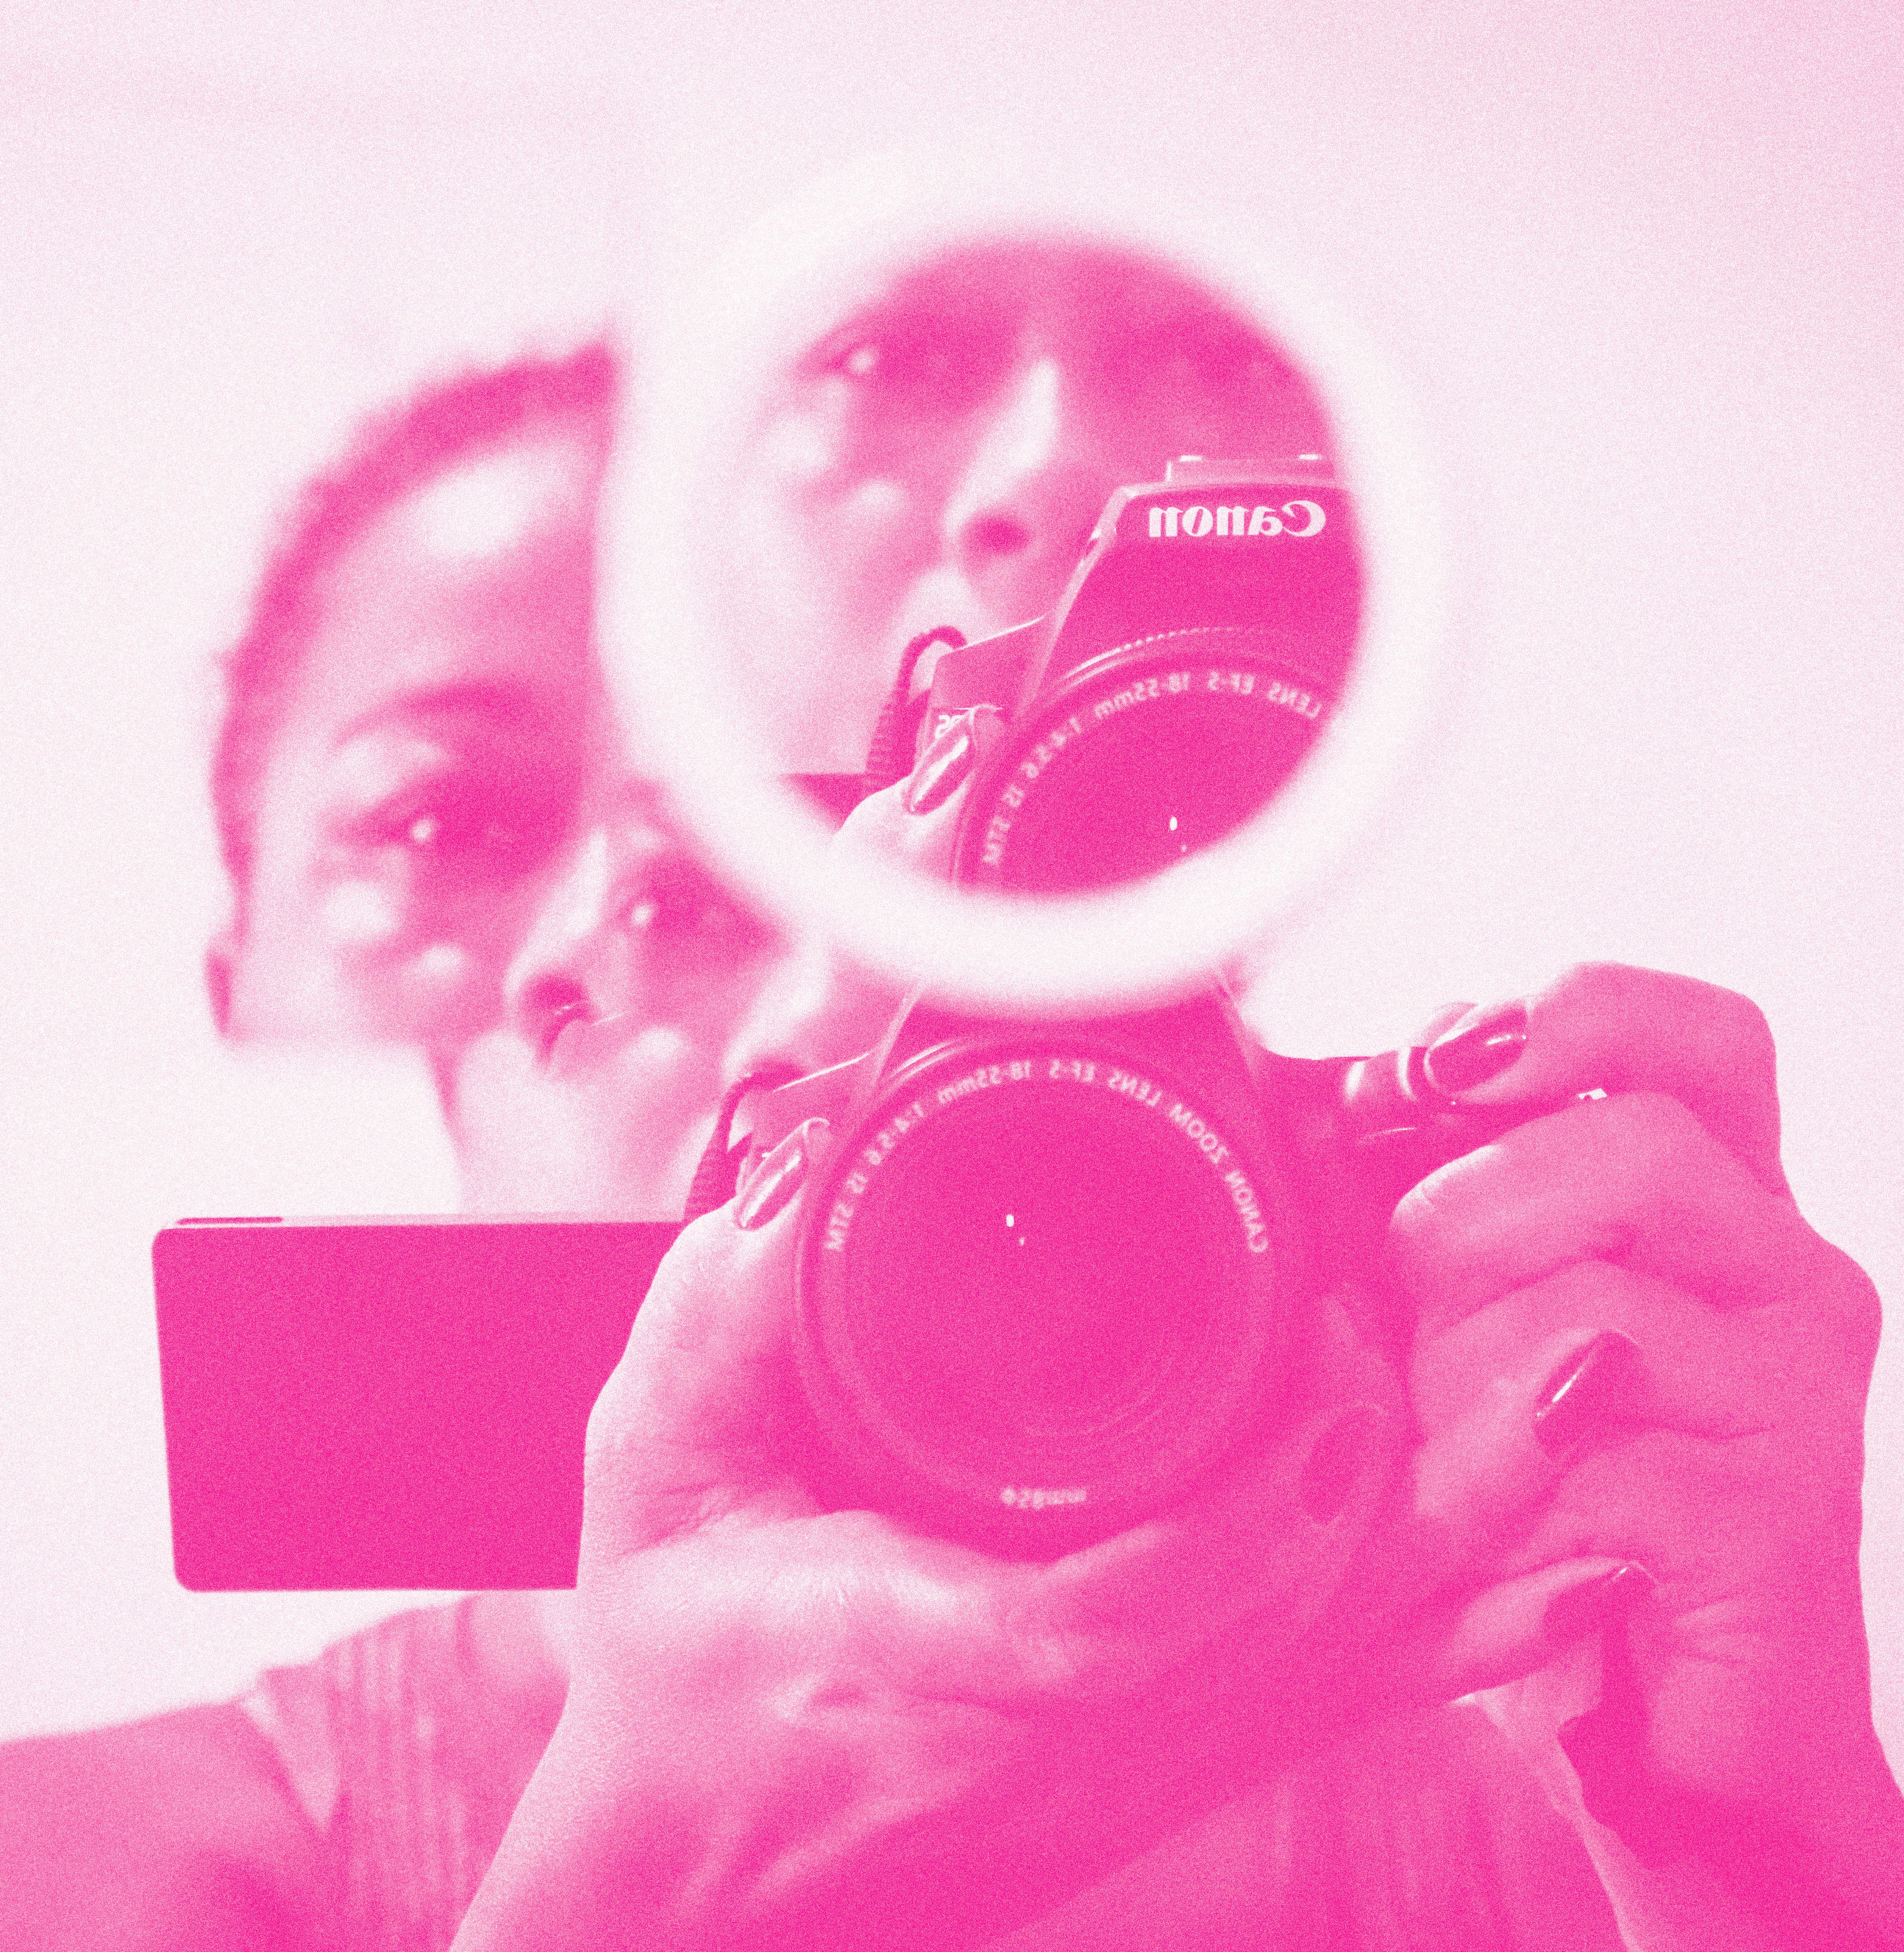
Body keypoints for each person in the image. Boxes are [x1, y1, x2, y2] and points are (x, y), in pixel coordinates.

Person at [4, 235, 1900, 1951]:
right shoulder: (117, 1867)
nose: (815, 1009)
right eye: (681, 894)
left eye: (915, 861)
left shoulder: (1531, 1830)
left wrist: (1764, 1860)